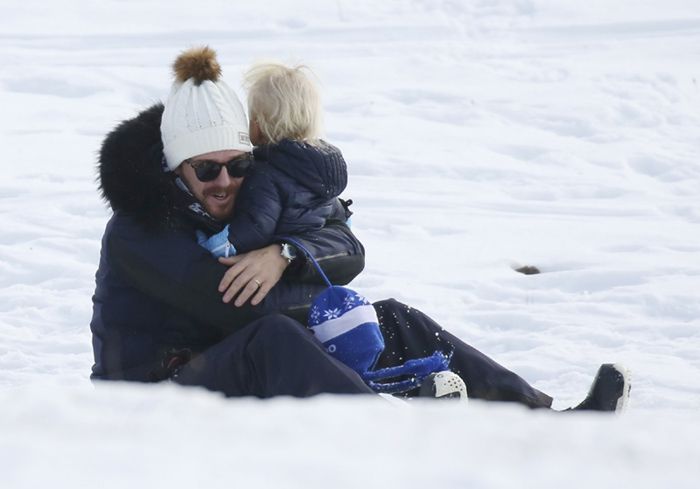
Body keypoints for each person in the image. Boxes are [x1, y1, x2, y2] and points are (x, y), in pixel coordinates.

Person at [90, 46, 630, 411]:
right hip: (152, 398)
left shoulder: (251, 194)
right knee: (280, 335)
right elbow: (243, 308)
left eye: (238, 164)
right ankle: (386, 432)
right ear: (175, 169)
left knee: (386, 318)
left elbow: (347, 245)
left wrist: (286, 253)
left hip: (233, 357)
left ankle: (538, 419)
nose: (225, 180)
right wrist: (319, 298)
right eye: (207, 169)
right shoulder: (140, 229)